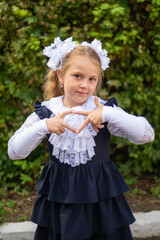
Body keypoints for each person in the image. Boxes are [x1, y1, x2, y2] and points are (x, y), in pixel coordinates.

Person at [8, 37, 154, 240]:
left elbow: (146, 134)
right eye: (77, 76)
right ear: (61, 75)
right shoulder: (48, 111)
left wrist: (109, 115)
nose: (85, 85)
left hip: (101, 200)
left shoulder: (104, 109)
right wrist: (44, 126)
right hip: (60, 201)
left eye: (92, 79)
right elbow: (14, 151)